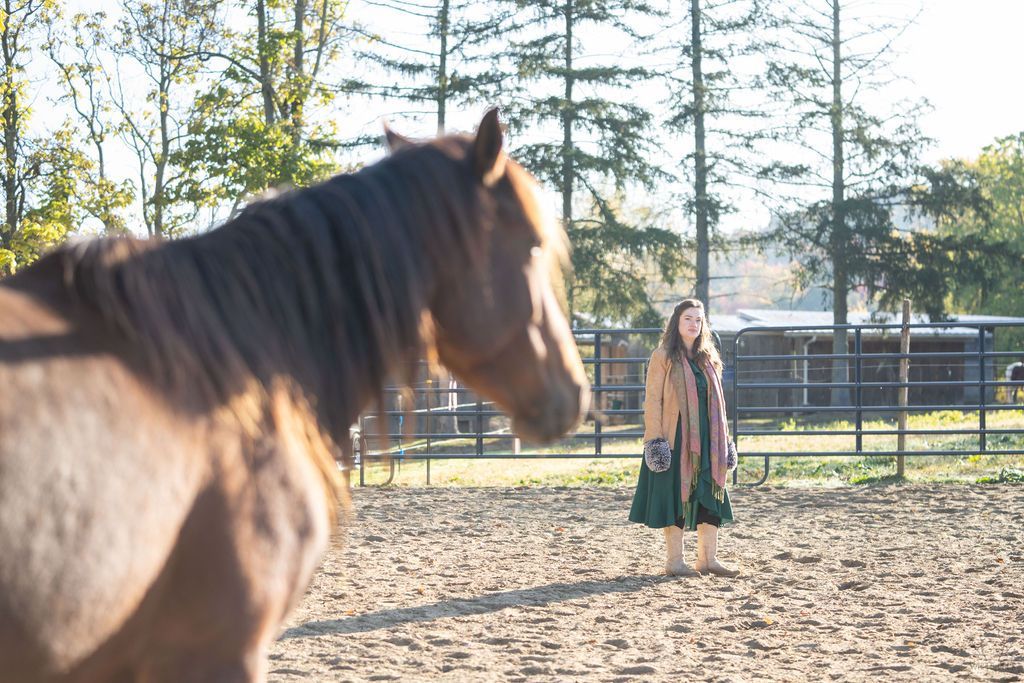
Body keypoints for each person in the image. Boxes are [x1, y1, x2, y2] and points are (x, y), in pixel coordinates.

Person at [629, 299, 739, 577]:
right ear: (677, 322)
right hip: (675, 436)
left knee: (710, 493)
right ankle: (675, 562)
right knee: (677, 494)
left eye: (699, 320)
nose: (694, 324)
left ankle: (708, 559)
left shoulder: (708, 358)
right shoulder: (663, 356)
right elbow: (653, 400)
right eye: (688, 318)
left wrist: (725, 440)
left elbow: (720, 404)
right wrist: (655, 441)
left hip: (709, 437)